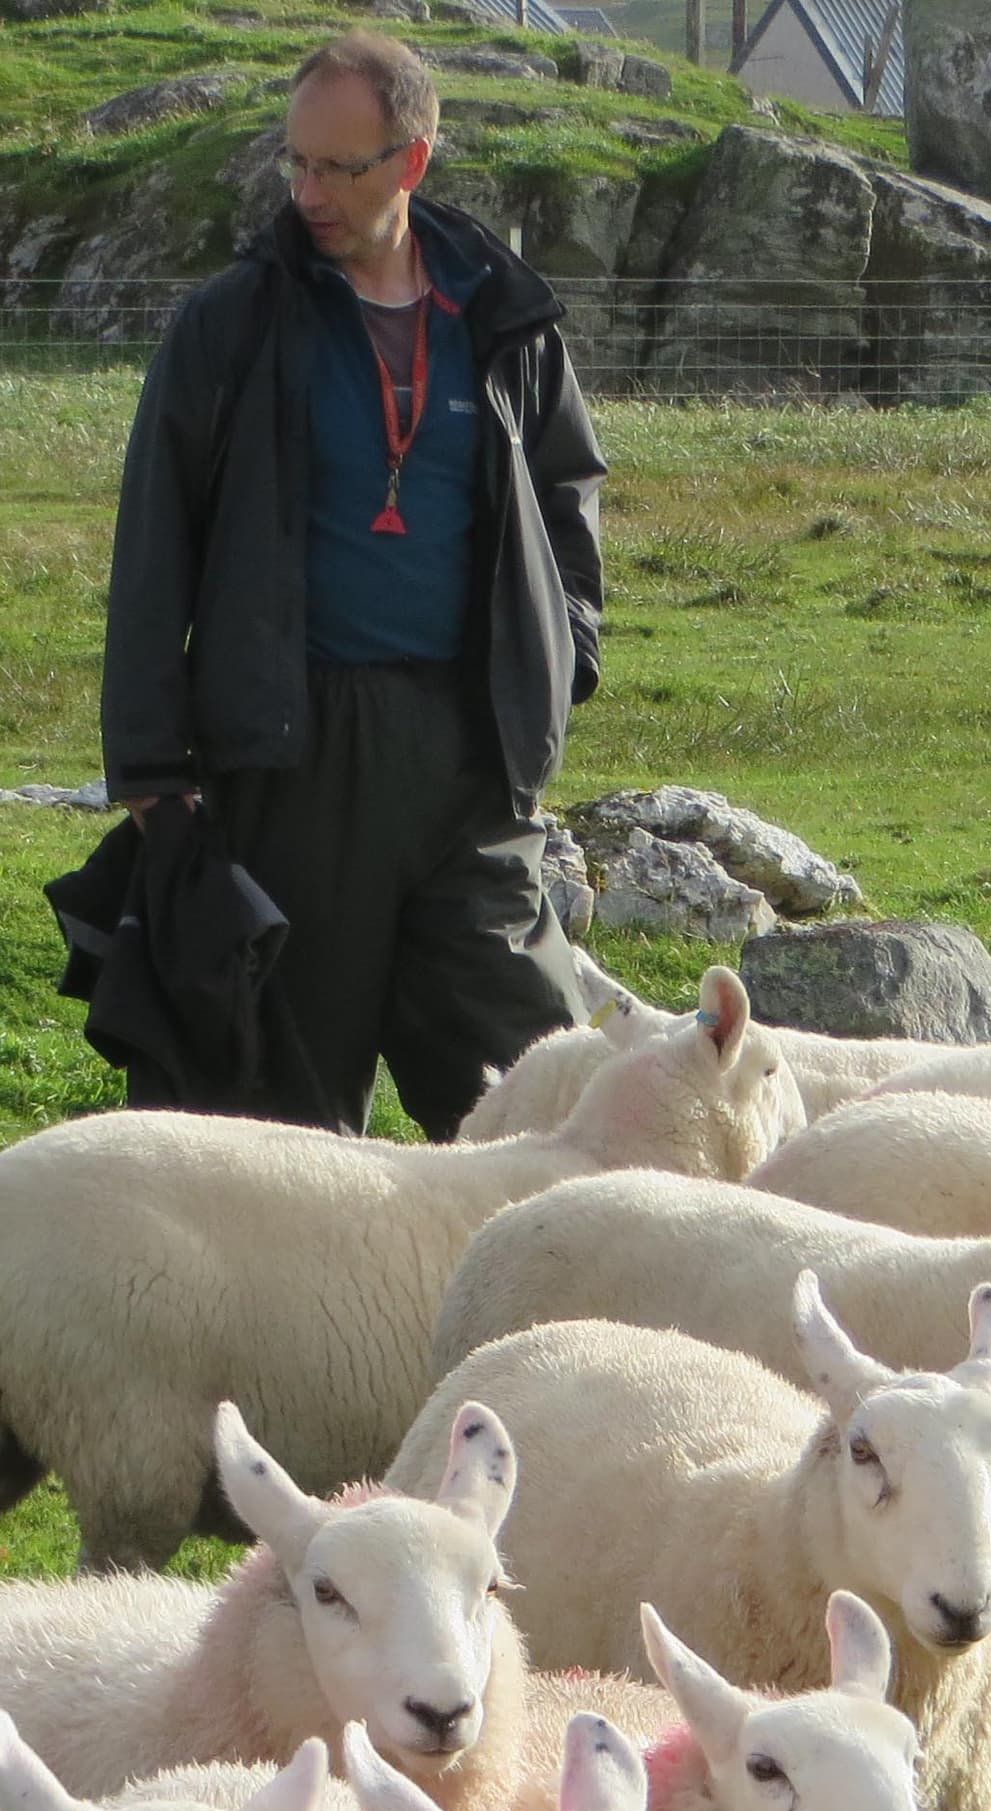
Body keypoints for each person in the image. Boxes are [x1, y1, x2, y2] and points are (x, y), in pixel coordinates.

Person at [94, 28, 606, 1140]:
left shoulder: (504, 319)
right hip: (293, 757)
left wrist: (563, 658)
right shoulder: (231, 323)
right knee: (284, 1122)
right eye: (296, 163)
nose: (309, 193)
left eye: (339, 167)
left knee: (538, 1096)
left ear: (413, 161)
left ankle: (521, 1310)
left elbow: (567, 494)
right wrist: (147, 765)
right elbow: (153, 545)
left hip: (471, 753)